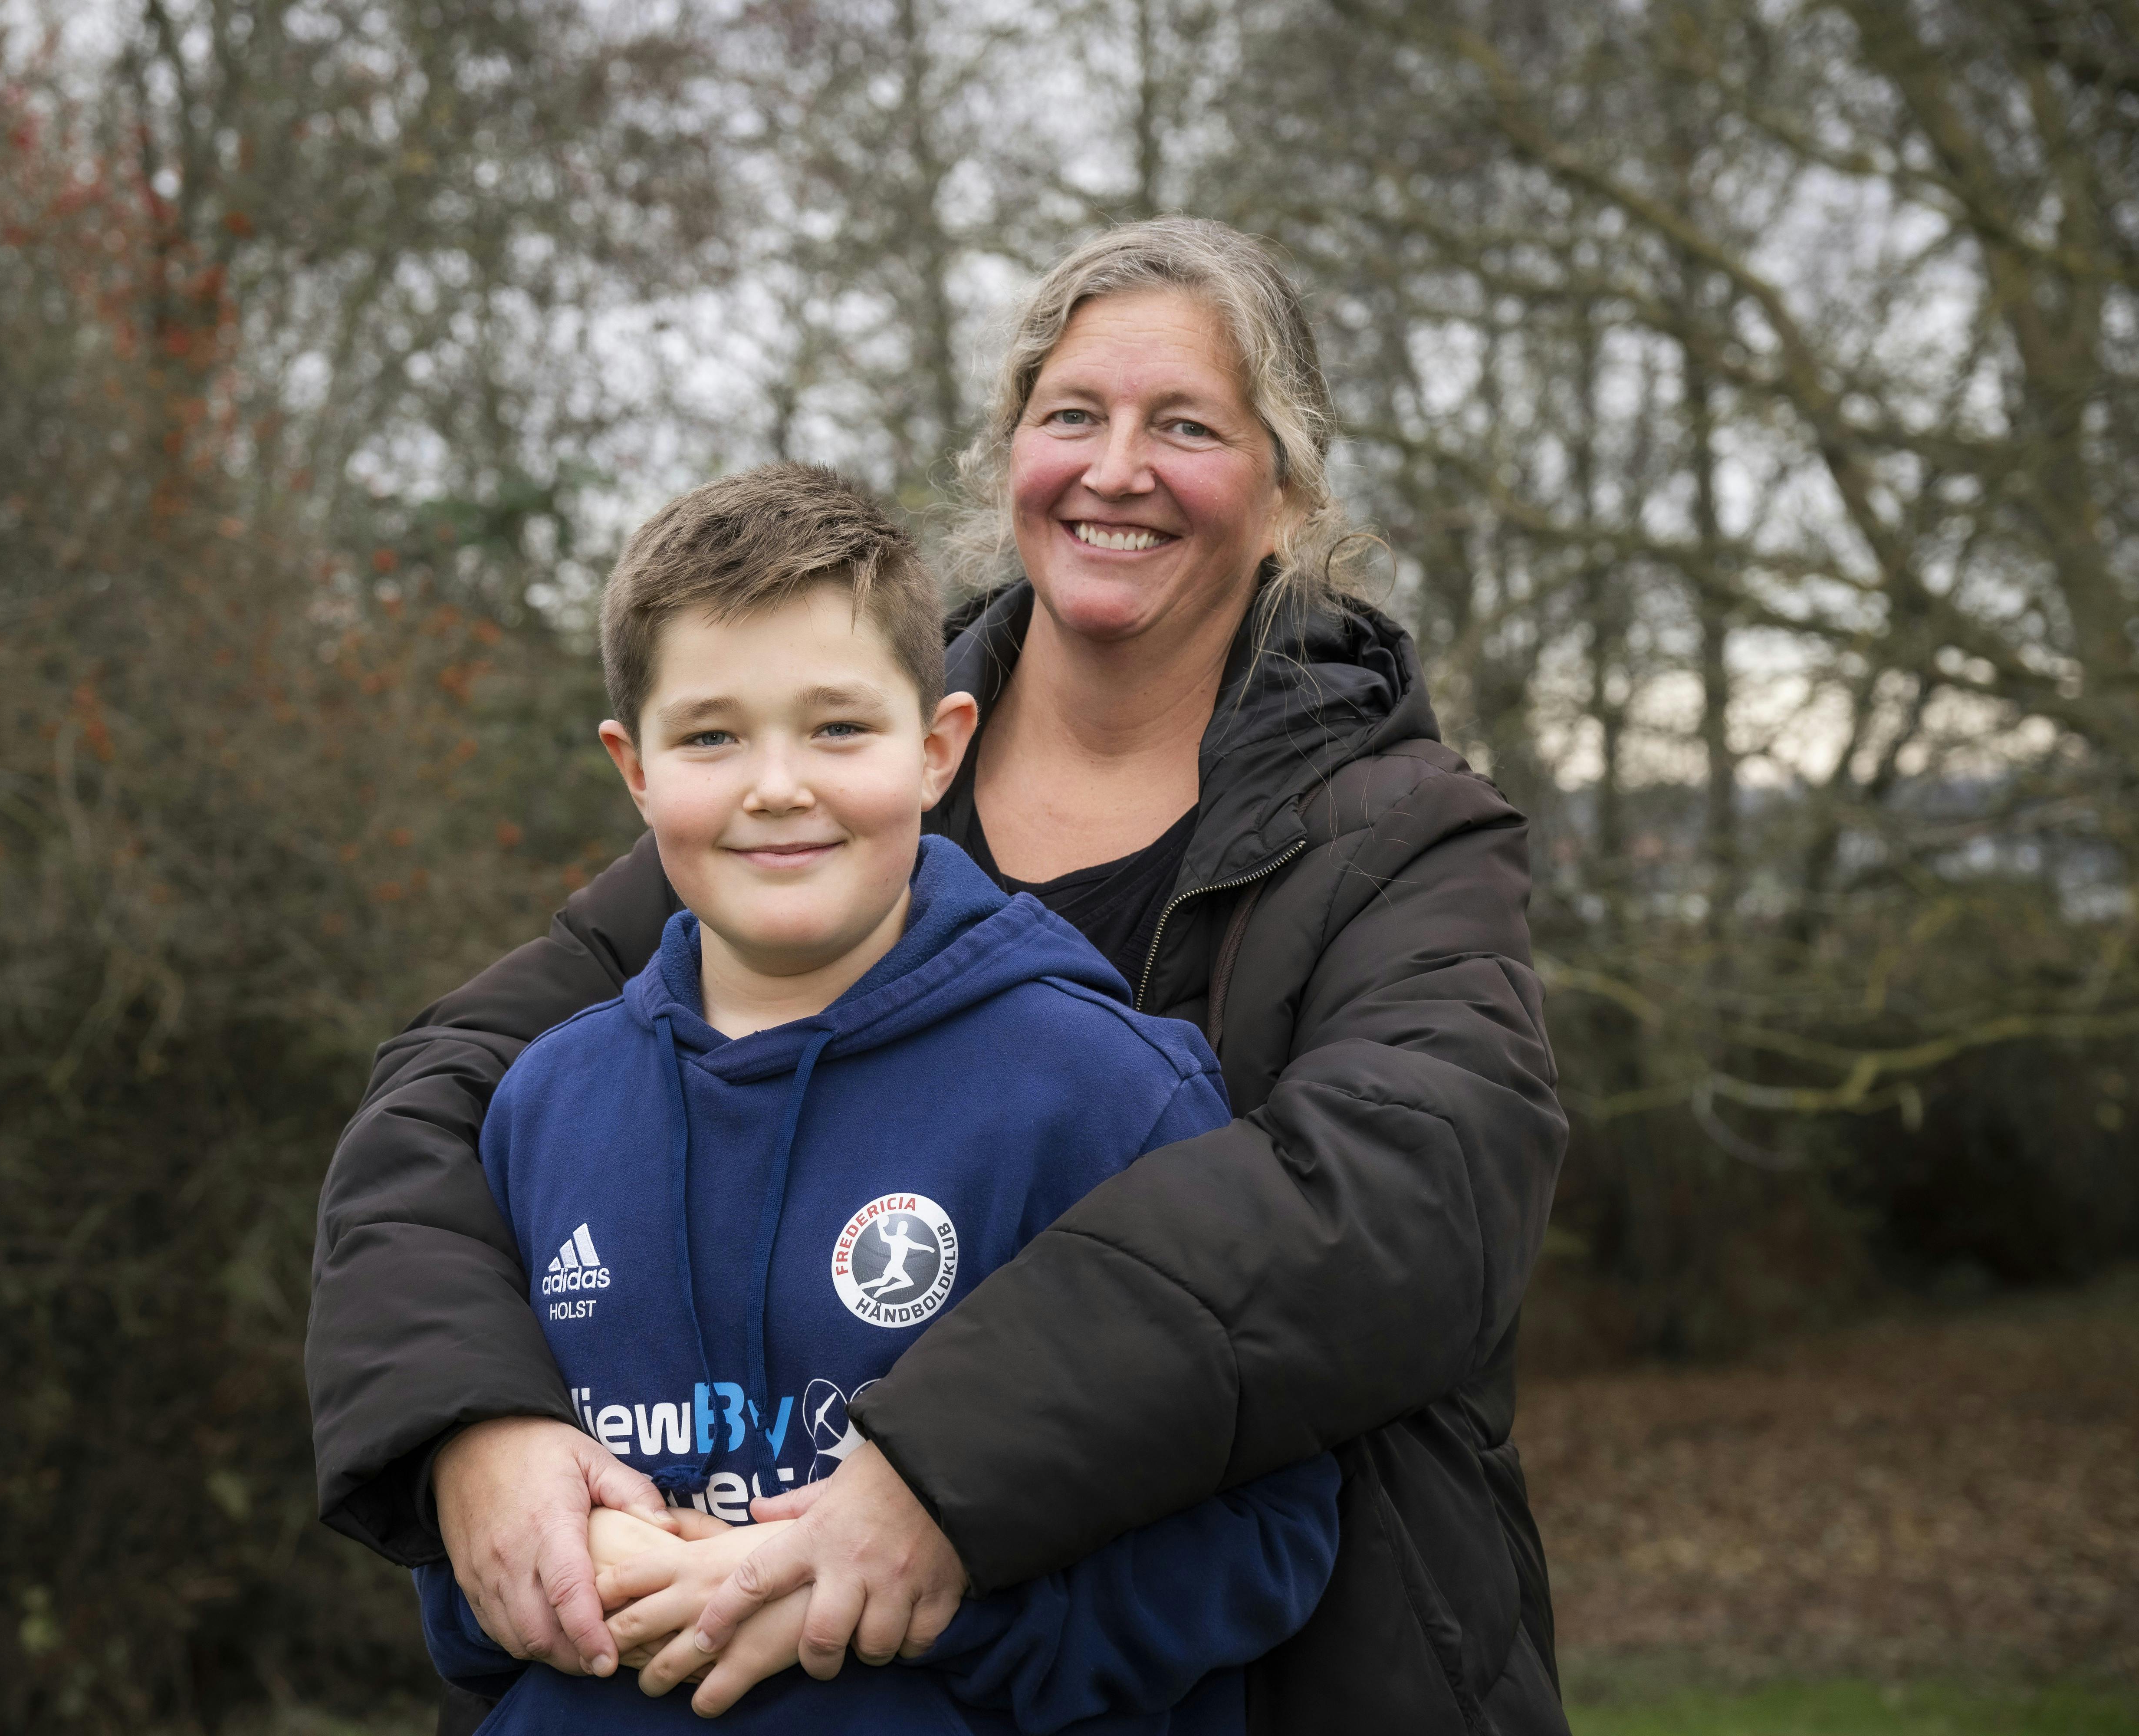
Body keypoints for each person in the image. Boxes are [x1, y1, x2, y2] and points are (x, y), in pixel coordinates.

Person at [307, 216, 1570, 1734]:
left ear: (1290, 497)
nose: (1117, 469)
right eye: (1071, 418)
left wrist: (939, 1472)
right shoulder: (817, 796)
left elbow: (1402, 1202)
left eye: (1186, 426)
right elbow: (448, 1102)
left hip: (1287, 1669)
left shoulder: (1401, 833)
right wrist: (476, 1425)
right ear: (1007, 458)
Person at [408, 462, 1342, 1733]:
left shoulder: (1106, 1093)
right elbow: (460, 1565)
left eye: (838, 728)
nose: (776, 784)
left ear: (937, 748)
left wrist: (930, 1604)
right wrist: (587, 1584)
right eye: (712, 735)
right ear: (635, 770)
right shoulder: (540, 1109)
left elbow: (1263, 1534)